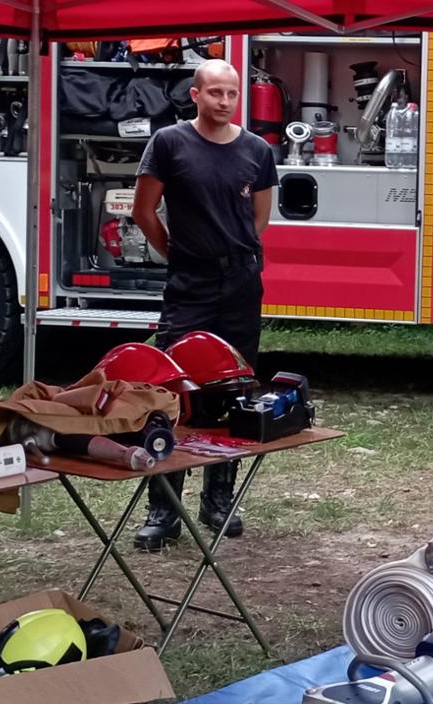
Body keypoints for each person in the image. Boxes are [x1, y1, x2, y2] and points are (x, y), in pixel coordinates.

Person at [128, 59, 278, 552]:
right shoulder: (170, 143)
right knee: (171, 390)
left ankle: (219, 501)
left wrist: (234, 257)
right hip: (188, 282)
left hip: (239, 283)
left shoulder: (257, 150)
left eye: (231, 93)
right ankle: (162, 509)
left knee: (234, 388)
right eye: (215, 92)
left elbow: (260, 218)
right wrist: (177, 252)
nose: (224, 101)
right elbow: (144, 210)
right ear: (195, 95)